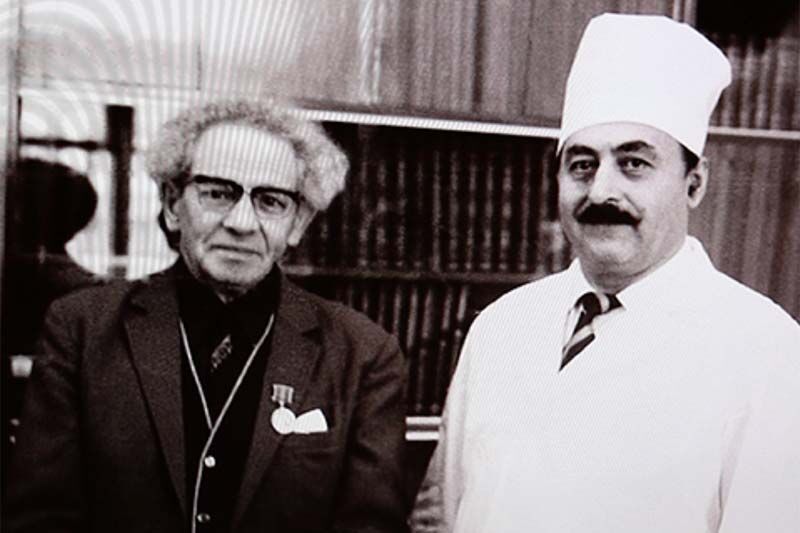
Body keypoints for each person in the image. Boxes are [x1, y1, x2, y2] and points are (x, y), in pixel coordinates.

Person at [414, 13, 800, 533]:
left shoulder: (766, 350)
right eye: (582, 165)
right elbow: (444, 513)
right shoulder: (501, 326)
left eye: (633, 163)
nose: (600, 192)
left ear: (694, 184)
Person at [7, 99, 409, 533]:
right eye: (218, 193)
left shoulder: (364, 354)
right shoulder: (83, 329)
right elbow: (39, 520)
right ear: (172, 204)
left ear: (298, 223)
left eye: (270, 201)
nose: (242, 222)